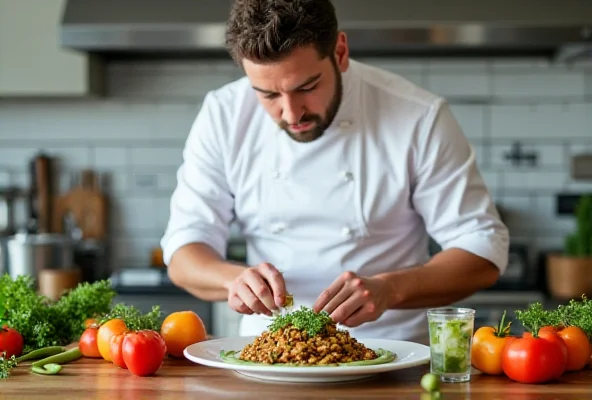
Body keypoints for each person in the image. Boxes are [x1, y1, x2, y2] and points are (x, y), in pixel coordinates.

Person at [161, 0, 509, 345]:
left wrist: (391, 289)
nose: (291, 113)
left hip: (393, 357)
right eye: (267, 95)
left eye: (307, 87)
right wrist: (232, 280)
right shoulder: (224, 115)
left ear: (340, 52)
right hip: (270, 356)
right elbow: (183, 252)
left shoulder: (419, 117)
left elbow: (481, 250)